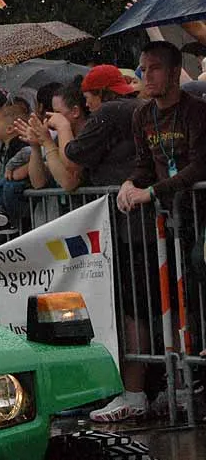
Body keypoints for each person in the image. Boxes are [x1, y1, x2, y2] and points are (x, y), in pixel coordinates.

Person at [99, 41, 206, 422]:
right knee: (170, 298)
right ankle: (177, 383)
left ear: (175, 72)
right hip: (170, 220)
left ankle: (192, 380)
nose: (147, 76)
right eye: (143, 68)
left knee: (195, 283)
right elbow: (145, 163)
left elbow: (199, 166)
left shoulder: (196, 111)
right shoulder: (143, 114)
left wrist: (152, 192)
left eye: (155, 68)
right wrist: (130, 184)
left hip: (198, 213)